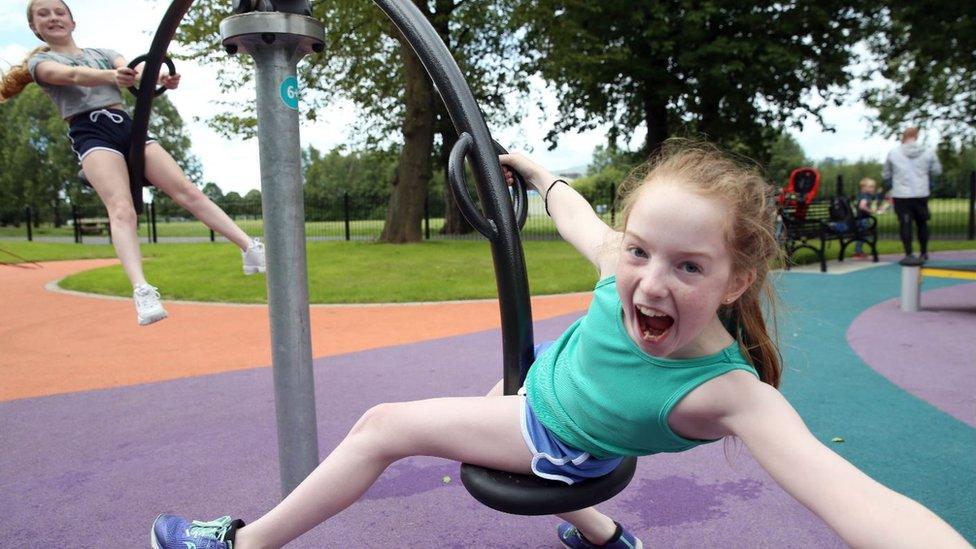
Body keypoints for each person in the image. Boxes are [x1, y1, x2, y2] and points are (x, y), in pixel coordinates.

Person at [150, 141, 968, 549]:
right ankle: (608, 536)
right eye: (642, 249)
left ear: (735, 280)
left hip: (558, 435)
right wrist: (543, 177)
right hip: (546, 391)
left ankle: (236, 543)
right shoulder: (629, 263)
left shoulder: (732, 393)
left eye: (689, 266)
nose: (648, 281)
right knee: (477, 403)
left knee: (383, 425)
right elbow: (582, 218)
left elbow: (852, 494)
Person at [0, 0, 266, 326]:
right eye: (43, 14)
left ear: (72, 20)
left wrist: (158, 80)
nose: (52, 17)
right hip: (90, 132)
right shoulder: (41, 62)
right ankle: (142, 290)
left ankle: (248, 246)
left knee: (186, 190)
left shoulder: (105, 52)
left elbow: (136, 71)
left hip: (126, 125)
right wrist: (111, 76)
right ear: (34, 27)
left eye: (59, 12)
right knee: (122, 208)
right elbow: (70, 75)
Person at [882, 127, 942, 262]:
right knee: (922, 223)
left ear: (904, 136)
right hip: (921, 192)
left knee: (905, 223)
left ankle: (909, 253)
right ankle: (924, 252)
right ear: (917, 136)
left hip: (901, 194)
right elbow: (937, 170)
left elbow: (886, 173)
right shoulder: (927, 152)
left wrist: (895, 181)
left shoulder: (894, 153)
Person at [851, 177, 880, 259]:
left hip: (858, 219)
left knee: (863, 235)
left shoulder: (861, 195)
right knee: (868, 234)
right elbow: (862, 206)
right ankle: (870, 250)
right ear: (864, 188)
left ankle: (858, 251)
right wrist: (870, 210)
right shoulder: (866, 196)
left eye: (873, 187)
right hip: (863, 220)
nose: (873, 188)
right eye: (871, 187)